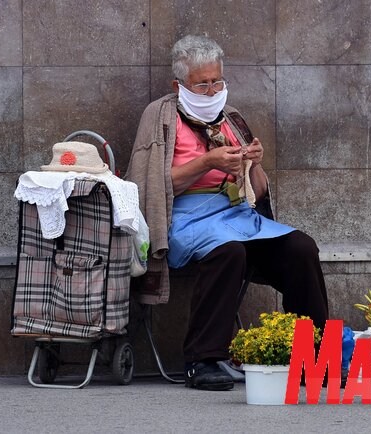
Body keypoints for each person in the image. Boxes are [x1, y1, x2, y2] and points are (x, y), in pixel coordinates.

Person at [125, 35, 329, 391]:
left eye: (216, 81)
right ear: (179, 85)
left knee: (301, 247)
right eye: (201, 83)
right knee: (228, 251)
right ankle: (202, 360)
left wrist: (253, 165)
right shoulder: (159, 116)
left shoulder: (231, 119)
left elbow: (259, 193)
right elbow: (148, 188)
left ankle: (312, 355)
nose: (211, 89)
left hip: (237, 217)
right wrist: (206, 162)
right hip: (185, 220)